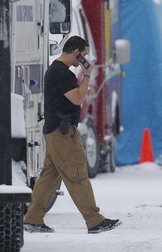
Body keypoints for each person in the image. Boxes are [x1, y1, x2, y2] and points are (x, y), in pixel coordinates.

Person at [24, 35, 121, 234]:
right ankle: (94, 220)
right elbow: (77, 99)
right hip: (62, 132)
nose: (84, 59)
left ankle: (33, 218)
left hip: (55, 131)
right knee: (77, 174)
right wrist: (86, 75)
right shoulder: (62, 74)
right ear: (76, 52)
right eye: (84, 55)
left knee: (50, 176)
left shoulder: (57, 70)